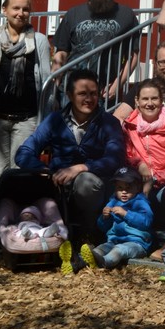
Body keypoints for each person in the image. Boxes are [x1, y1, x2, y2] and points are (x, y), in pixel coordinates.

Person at [15, 69, 124, 257]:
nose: (89, 99)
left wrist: (83, 167)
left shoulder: (109, 122)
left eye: (93, 93)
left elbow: (116, 158)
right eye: (82, 93)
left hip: (96, 188)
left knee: (86, 182)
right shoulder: (55, 120)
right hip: (60, 185)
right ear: (69, 95)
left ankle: (88, 235)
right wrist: (44, 171)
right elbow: (24, 152)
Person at [0, 0, 52, 201]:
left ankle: (18, 227)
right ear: (4, 10)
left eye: (26, 9)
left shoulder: (40, 42)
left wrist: (46, 122)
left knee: (21, 173)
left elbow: (46, 83)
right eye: (16, 8)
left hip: (27, 120)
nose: (21, 13)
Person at [52, 0, 139, 102]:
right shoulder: (73, 14)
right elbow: (61, 52)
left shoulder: (126, 15)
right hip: (71, 91)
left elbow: (133, 56)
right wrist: (54, 86)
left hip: (104, 92)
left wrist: (117, 85)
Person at [122, 79, 165, 258]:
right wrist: (140, 164)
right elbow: (125, 154)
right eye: (145, 99)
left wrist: (155, 177)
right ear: (136, 101)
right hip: (137, 186)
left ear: (162, 101)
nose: (149, 103)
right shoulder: (128, 127)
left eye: (154, 99)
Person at [83, 166, 154, 270]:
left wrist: (126, 214)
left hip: (137, 243)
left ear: (138, 187)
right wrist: (104, 217)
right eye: (120, 188)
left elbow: (146, 222)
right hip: (114, 240)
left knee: (119, 250)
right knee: (100, 249)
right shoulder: (112, 202)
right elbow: (103, 227)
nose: (124, 191)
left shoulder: (141, 202)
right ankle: (82, 261)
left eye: (128, 187)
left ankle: (105, 262)